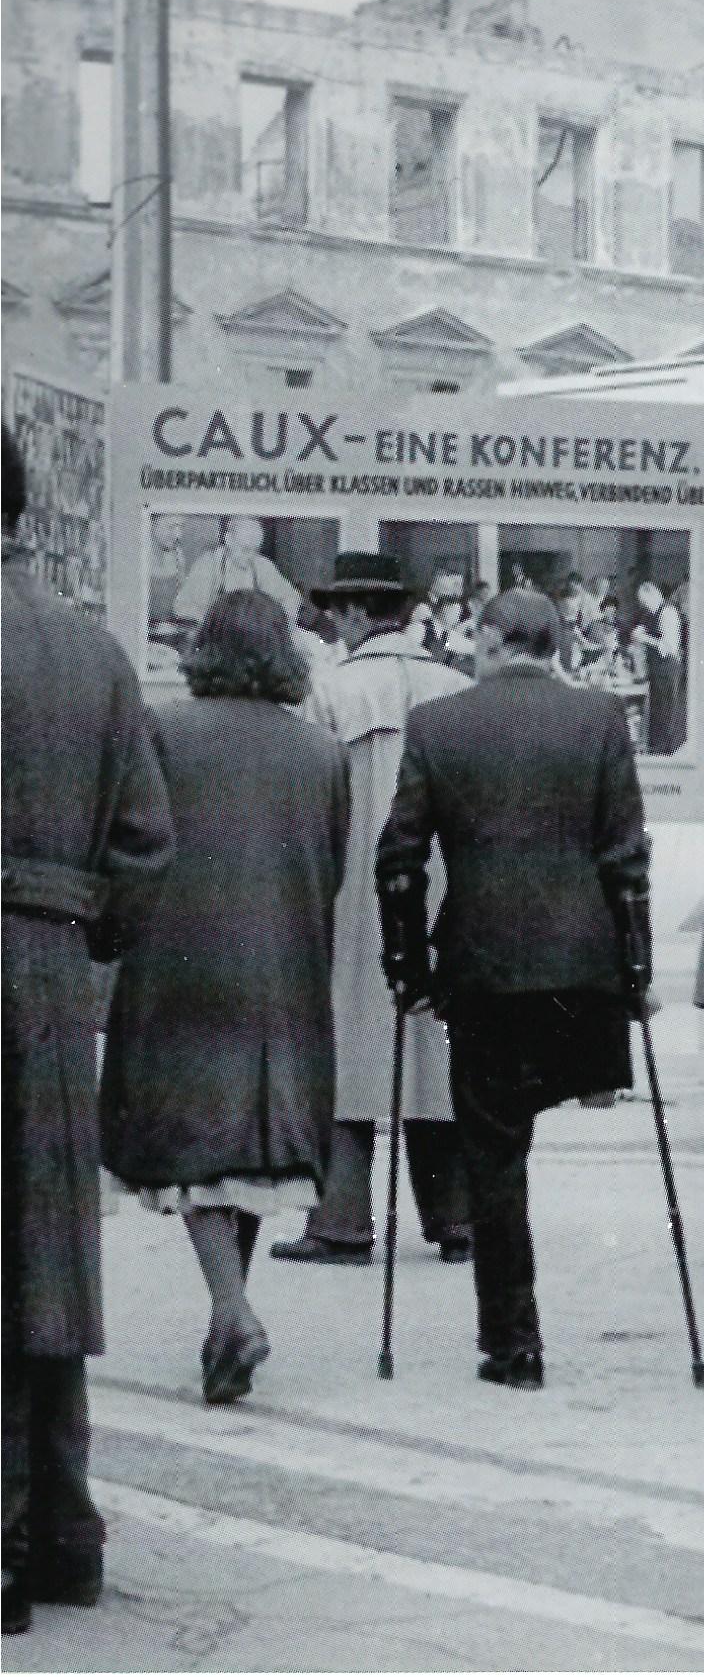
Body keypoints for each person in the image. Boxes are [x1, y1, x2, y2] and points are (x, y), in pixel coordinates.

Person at [377, 589, 650, 1389]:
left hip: (484, 968)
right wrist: (632, 974)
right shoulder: (600, 719)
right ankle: (513, 1335)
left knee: (494, 1155)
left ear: (493, 639)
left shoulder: (438, 724)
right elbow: (626, 858)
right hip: (580, 972)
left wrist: (408, 970)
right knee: (539, 1114)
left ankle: (512, 1342)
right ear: (555, 643)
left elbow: (400, 861)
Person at [2, 428, 175, 1637]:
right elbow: (146, 846)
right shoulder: (95, 653)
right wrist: (77, 930)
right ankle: (61, 1529)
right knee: (44, 1245)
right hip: (49, 964)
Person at [101, 592, 348, 1405]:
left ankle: (230, 1311)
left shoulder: (165, 733)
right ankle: (225, 1315)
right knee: (250, 1147)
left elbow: (132, 840)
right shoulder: (321, 753)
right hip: (283, 967)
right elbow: (331, 867)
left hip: (182, 960)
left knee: (196, 1145)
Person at [271, 555, 473, 1269]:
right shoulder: (456, 689)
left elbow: (303, 799)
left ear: (355, 614)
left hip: (349, 884)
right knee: (435, 1051)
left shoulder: (328, 692)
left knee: (346, 1044)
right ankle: (457, 1219)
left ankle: (341, 1219)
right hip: (441, 884)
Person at [172, 514, 302, 630]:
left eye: (255, 550)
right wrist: (218, 620)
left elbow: (290, 598)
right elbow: (182, 607)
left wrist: (285, 615)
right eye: (245, 550)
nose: (251, 556)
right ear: (228, 540)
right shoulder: (209, 564)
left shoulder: (262, 565)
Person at [631, 578, 686, 753]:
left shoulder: (668, 612)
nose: (643, 605)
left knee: (666, 713)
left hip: (667, 669)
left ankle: (666, 753)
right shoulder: (651, 614)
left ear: (654, 595)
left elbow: (670, 646)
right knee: (656, 713)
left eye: (645, 600)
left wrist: (644, 637)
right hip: (656, 670)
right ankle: (657, 751)